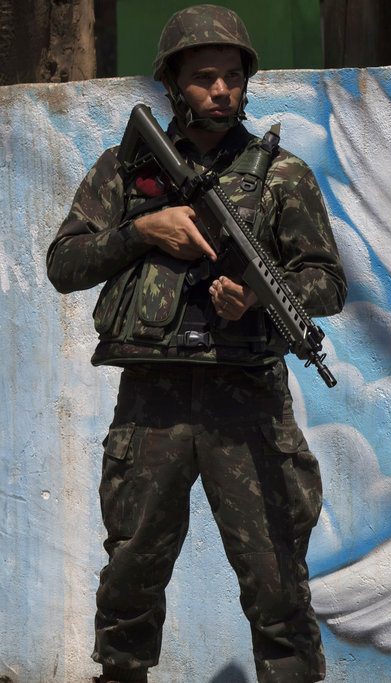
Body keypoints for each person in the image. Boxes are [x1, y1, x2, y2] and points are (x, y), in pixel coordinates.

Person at [46, 5, 346, 682]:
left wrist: (260, 300)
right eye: (204, 77)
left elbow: (325, 280)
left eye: (232, 77)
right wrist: (146, 230)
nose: (220, 90)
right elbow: (66, 263)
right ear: (172, 85)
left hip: (246, 402)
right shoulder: (125, 172)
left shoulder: (282, 175)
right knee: (130, 578)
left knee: (276, 583)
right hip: (152, 404)